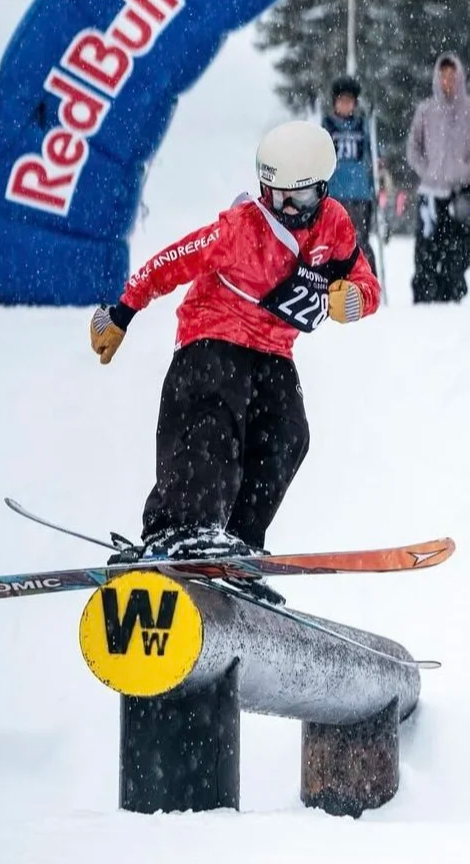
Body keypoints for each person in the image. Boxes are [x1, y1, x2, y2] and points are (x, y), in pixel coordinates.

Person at [90, 120, 381, 562]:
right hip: (213, 332)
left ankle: (239, 539)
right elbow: (170, 262)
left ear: (321, 190)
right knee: (215, 410)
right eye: (273, 194)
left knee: (288, 431)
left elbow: (364, 279)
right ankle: (183, 526)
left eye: (297, 198)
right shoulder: (242, 228)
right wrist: (122, 313)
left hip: (273, 349)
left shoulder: (334, 226)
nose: (284, 207)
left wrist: (355, 300)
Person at [407, 52, 470, 303]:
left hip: (460, 193)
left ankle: (452, 294)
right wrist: (427, 171)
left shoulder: (468, 111)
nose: (447, 81)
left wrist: (464, 172)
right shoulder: (426, 110)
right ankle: (424, 297)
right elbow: (413, 147)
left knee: (458, 249)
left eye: (452, 76)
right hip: (430, 194)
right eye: (443, 76)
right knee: (426, 248)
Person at [322, 75, 378, 275]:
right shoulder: (327, 125)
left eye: (349, 101)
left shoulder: (362, 125)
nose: (345, 105)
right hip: (335, 194)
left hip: (359, 194)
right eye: (341, 100)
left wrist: (377, 178)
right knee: (335, 241)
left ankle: (366, 278)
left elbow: (373, 154)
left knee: (360, 240)